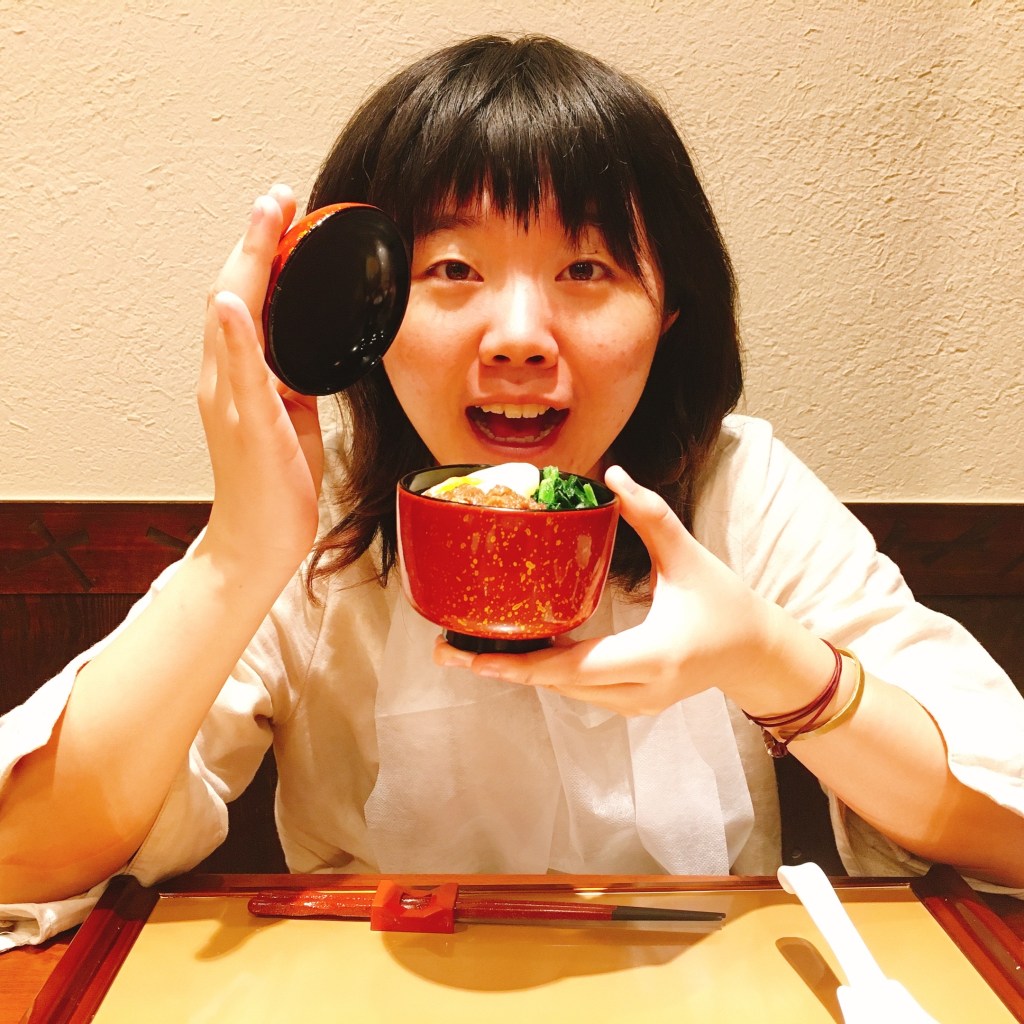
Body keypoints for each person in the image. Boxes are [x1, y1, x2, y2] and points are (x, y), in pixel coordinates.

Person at [1, 33, 1022, 950]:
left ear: (669, 311)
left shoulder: (735, 491)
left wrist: (776, 666)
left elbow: (1006, 821)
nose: (522, 336)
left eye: (587, 268)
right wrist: (239, 554)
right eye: (452, 269)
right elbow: (25, 856)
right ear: (371, 310)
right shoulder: (322, 514)